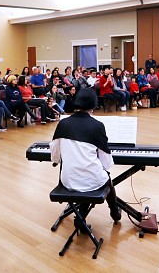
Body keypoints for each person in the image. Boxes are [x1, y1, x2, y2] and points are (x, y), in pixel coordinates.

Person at [50, 88, 121, 232]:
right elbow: (107, 163)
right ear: (93, 105)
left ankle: (80, 219)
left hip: (68, 180)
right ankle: (115, 212)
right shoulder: (97, 126)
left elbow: (55, 155)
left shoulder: (63, 123)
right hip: (91, 181)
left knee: (85, 174)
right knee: (104, 177)